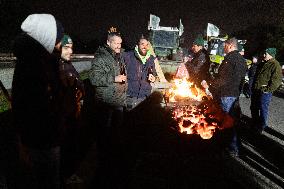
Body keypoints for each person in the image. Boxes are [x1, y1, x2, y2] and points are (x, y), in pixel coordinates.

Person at [12, 14, 64, 189]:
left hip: (42, 136)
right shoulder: (37, 63)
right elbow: (24, 105)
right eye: (58, 39)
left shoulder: (36, 59)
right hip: (42, 139)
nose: (60, 44)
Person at [88, 28, 127, 188]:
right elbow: (94, 78)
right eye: (115, 43)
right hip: (106, 103)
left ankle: (112, 161)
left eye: (120, 43)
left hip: (118, 102)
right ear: (108, 42)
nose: (118, 45)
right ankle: (102, 167)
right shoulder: (101, 58)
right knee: (105, 135)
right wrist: (115, 78)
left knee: (115, 135)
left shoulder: (117, 57)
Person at [201, 37, 247, 156]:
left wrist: (209, 87)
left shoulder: (230, 59)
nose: (224, 48)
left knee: (227, 123)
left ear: (230, 46)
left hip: (227, 95)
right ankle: (236, 147)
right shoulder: (242, 60)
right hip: (235, 94)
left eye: (225, 46)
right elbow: (241, 79)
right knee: (233, 122)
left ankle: (233, 148)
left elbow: (223, 79)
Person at [57, 34, 84, 184]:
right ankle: (64, 177)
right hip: (63, 119)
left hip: (73, 115)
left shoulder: (68, 64)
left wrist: (79, 91)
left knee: (71, 147)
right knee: (63, 150)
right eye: (66, 47)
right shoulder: (55, 67)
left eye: (71, 47)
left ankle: (68, 174)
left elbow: (80, 85)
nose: (70, 51)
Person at [250, 48, 282, 134]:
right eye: (264, 53)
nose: (264, 55)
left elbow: (276, 81)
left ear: (271, 55)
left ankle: (261, 126)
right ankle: (255, 123)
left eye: (266, 54)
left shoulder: (276, 65)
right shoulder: (263, 63)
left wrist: (267, 90)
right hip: (256, 90)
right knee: (254, 107)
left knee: (263, 108)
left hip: (264, 92)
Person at [124, 35, 157, 99]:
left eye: (147, 45)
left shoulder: (150, 59)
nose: (145, 47)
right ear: (137, 45)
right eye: (142, 44)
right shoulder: (128, 56)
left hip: (145, 96)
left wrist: (154, 78)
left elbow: (154, 73)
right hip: (130, 96)